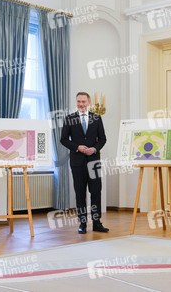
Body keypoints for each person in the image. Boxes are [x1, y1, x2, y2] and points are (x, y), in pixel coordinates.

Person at [60, 92, 108, 234]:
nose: (81, 104)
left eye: (83, 102)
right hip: (77, 162)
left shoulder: (96, 118)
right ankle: (82, 224)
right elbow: (63, 139)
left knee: (96, 192)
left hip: (93, 162)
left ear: (89, 102)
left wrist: (94, 149)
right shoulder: (70, 119)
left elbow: (103, 139)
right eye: (79, 102)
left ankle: (97, 223)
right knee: (80, 193)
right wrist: (77, 147)